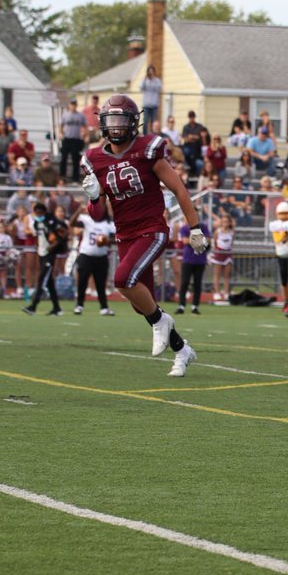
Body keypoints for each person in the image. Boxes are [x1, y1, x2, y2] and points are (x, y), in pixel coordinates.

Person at [80, 94, 209, 378]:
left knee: (122, 279)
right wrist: (93, 198)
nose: (116, 126)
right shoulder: (94, 159)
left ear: (133, 122)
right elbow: (98, 215)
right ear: (103, 123)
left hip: (152, 229)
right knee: (141, 305)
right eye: (112, 120)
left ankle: (161, 321)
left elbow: (179, 189)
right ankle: (182, 350)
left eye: (121, 120)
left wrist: (195, 227)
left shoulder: (147, 149)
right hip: (125, 235)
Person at [21, 201, 69, 315]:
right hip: (41, 253)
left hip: (50, 254)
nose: (38, 215)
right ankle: (57, 308)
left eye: (40, 213)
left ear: (44, 212)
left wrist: (54, 245)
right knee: (49, 283)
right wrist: (37, 245)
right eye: (36, 213)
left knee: (42, 280)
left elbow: (64, 232)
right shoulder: (37, 223)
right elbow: (38, 236)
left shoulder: (51, 221)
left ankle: (33, 306)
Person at [72, 203, 115, 316]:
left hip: (101, 257)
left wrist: (107, 241)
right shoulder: (87, 220)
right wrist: (78, 211)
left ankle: (104, 307)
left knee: (101, 283)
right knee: (82, 281)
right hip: (86, 255)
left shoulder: (109, 224)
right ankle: (79, 305)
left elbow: (115, 239)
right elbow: (72, 223)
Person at [174, 215, 210, 315]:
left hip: (200, 260)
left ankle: (195, 306)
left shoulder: (203, 227)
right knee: (184, 282)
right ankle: (181, 305)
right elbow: (185, 241)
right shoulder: (184, 228)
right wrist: (200, 241)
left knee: (197, 283)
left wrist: (193, 240)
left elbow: (207, 240)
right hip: (188, 259)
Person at [209, 214, 235, 304]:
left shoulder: (232, 232)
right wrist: (215, 252)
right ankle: (216, 292)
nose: (225, 223)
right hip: (219, 253)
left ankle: (226, 292)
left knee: (227, 275)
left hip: (228, 254)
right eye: (223, 222)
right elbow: (214, 242)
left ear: (229, 223)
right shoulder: (218, 231)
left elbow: (232, 243)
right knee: (217, 274)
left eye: (227, 222)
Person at [59, 99, 87, 180]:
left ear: (76, 105)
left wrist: (84, 135)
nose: (73, 106)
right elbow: (60, 126)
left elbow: (85, 126)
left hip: (76, 140)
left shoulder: (80, 116)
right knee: (63, 158)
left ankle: (75, 178)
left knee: (75, 159)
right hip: (67, 139)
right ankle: (62, 176)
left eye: (74, 105)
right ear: (69, 105)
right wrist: (60, 134)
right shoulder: (65, 115)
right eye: (71, 104)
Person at [180, 111, 208, 178]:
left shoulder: (199, 126)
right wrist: (194, 137)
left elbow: (201, 137)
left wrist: (191, 137)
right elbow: (185, 139)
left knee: (199, 162)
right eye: (190, 117)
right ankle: (191, 169)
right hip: (188, 147)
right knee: (186, 152)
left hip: (197, 147)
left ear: (194, 117)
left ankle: (195, 173)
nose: (191, 118)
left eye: (192, 117)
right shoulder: (186, 127)